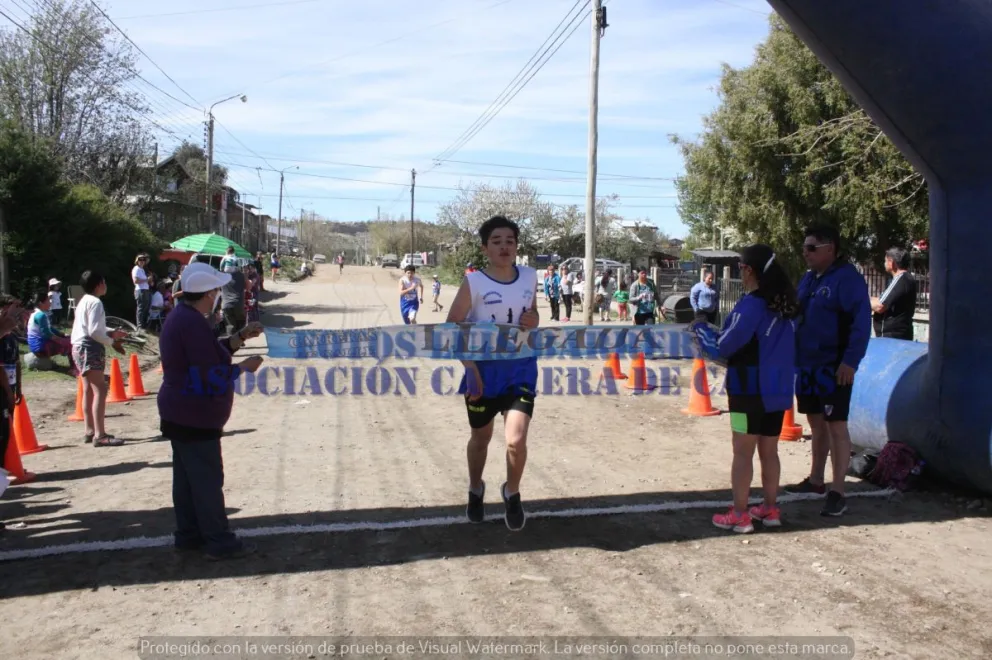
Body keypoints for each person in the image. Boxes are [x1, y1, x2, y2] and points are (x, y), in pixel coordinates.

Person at [158, 263, 265, 560]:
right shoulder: (191, 323)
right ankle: (219, 541)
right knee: (205, 481)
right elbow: (207, 373)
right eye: (216, 290)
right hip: (194, 414)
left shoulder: (184, 318)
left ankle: (189, 536)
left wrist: (239, 337)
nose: (218, 294)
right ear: (207, 294)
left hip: (181, 413)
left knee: (187, 481)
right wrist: (242, 368)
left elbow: (208, 353)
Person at [446, 215, 539, 531]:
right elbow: (453, 326)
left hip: (521, 369)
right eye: (497, 241)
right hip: (483, 374)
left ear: (516, 246)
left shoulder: (529, 276)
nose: (504, 247)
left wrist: (534, 319)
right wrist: (469, 368)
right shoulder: (474, 282)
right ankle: (475, 488)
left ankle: (512, 493)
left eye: (510, 241)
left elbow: (533, 312)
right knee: (481, 438)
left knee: (516, 439)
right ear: (485, 247)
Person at [707, 245, 799, 533]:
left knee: (742, 452)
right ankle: (770, 509)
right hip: (778, 391)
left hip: (747, 391)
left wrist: (703, 337)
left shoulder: (751, 305)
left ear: (748, 270)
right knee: (769, 451)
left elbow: (725, 345)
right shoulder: (787, 305)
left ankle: (739, 514)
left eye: (740, 268)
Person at [785, 225, 871, 517]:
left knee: (836, 426)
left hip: (834, 367)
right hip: (807, 365)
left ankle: (839, 492)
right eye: (804, 247)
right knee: (816, 424)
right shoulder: (809, 278)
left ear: (830, 248)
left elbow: (860, 325)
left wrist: (850, 361)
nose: (805, 253)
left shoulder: (848, 280)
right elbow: (795, 312)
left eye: (811, 248)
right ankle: (816, 480)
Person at [71, 271, 128, 447]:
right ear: (98, 285)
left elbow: (93, 327)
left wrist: (110, 331)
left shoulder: (84, 301)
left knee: (88, 390)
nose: (106, 285)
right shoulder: (96, 302)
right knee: (100, 390)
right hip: (90, 348)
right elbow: (95, 332)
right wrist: (112, 341)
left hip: (78, 347)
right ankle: (100, 435)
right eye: (104, 282)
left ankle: (90, 430)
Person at [871, 247, 917, 340]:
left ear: (891, 263)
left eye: (885, 261)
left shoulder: (901, 279)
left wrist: (862, 300)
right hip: (898, 336)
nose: (884, 264)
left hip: (892, 337)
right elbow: (883, 299)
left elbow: (880, 306)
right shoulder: (905, 279)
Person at [26, 291, 74, 365]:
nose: (50, 301)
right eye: (48, 300)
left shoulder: (36, 313)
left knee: (69, 340)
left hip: (37, 347)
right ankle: (74, 369)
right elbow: (47, 334)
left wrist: (63, 334)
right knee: (72, 344)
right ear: (41, 303)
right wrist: (62, 341)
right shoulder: (41, 315)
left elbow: (50, 328)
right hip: (40, 348)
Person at [220, 264, 247, 337]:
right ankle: (240, 340)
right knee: (241, 323)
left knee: (230, 325)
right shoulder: (241, 275)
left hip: (226, 304)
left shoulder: (222, 276)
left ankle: (232, 342)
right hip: (238, 304)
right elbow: (248, 287)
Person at [132, 254, 151, 330]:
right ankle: (139, 326)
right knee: (141, 308)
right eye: (140, 259)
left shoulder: (142, 269)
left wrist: (149, 282)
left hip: (145, 290)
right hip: (140, 290)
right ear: (137, 260)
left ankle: (143, 326)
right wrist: (147, 280)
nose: (142, 261)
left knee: (145, 308)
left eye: (143, 260)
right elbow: (136, 281)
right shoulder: (136, 269)